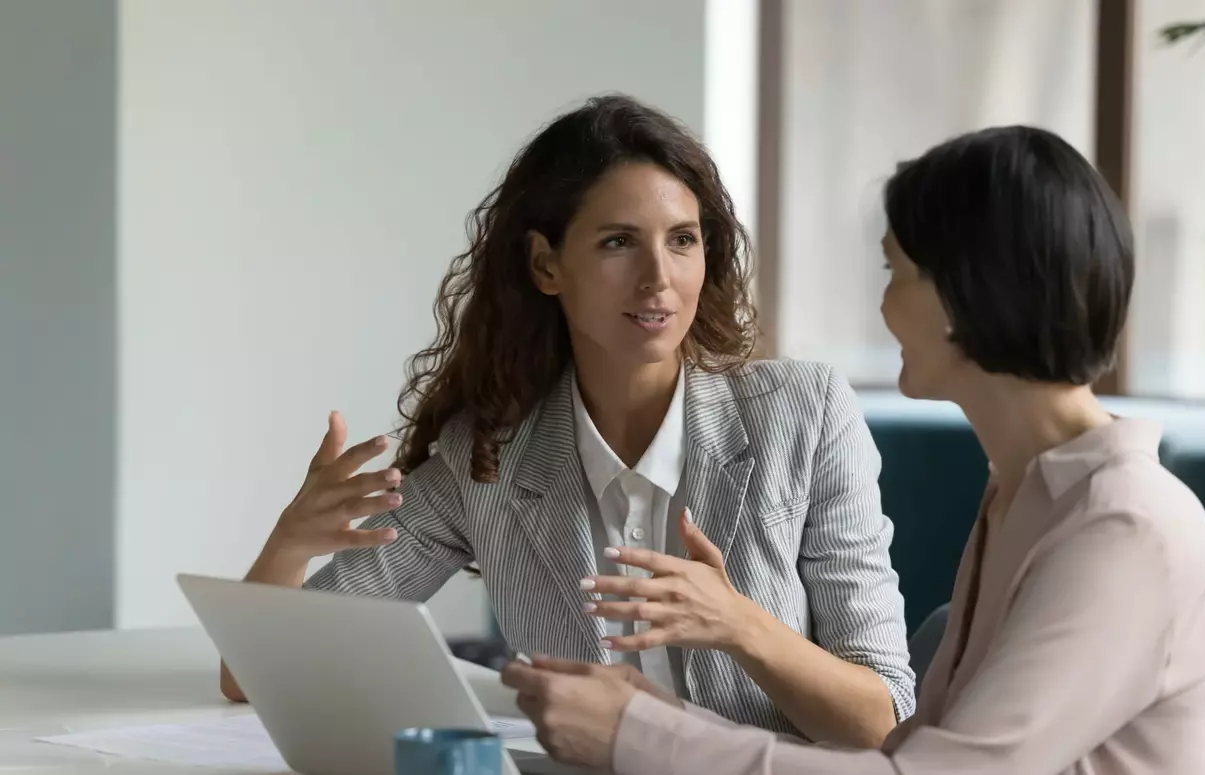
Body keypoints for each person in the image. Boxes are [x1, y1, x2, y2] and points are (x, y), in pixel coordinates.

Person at [501, 125, 1205, 774]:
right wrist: (655, 711)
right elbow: (907, 750)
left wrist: (639, 734)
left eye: (896, 272)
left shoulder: (1124, 528)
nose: (882, 305)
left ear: (964, 297)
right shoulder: (1022, 495)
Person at [219, 94, 916, 746]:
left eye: (682, 240)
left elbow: (885, 719)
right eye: (618, 242)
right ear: (546, 264)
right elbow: (250, 676)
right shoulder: (486, 458)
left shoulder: (804, 413)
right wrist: (289, 543)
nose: (658, 278)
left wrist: (742, 627)